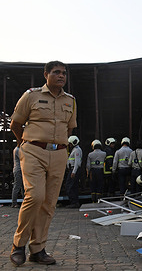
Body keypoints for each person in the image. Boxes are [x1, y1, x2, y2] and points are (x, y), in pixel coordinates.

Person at [9, 60, 77, 266]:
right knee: (35, 196)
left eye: (64, 73)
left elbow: (69, 128)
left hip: (58, 154)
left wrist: (59, 146)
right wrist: (25, 143)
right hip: (33, 151)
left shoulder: (71, 101)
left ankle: (37, 250)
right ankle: (18, 245)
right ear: (46, 74)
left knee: (48, 204)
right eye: (56, 72)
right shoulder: (31, 95)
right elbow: (15, 123)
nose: (61, 76)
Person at [66, 135, 82, 208]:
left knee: (70, 186)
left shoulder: (76, 150)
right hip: (72, 169)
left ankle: (74, 202)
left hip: (74, 170)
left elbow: (77, 162)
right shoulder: (75, 149)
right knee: (73, 186)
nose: (69, 145)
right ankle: (75, 202)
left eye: (70, 143)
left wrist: (73, 172)